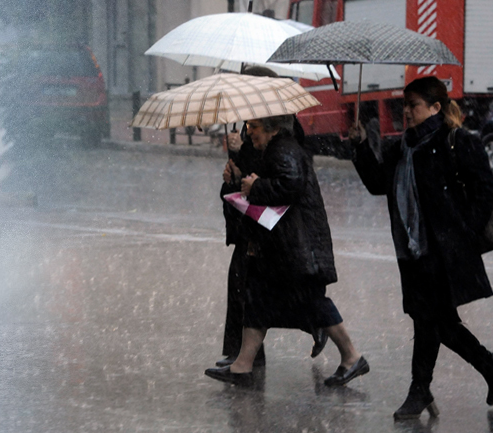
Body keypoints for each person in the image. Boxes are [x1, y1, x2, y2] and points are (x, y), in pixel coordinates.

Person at [349, 76, 493, 420]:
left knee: (432, 321)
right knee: (435, 322)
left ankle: (420, 389)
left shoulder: (456, 142)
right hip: (413, 252)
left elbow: (485, 192)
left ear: (435, 107)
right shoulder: (401, 147)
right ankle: (476, 372)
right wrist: (359, 146)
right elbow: (376, 184)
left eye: (413, 105)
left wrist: (465, 236)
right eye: (405, 105)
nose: (407, 112)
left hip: (444, 251)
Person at [205, 114, 368, 387]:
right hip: (283, 245)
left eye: (253, 128)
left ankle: (352, 355)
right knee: (256, 299)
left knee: (311, 300)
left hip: (297, 244)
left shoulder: (285, 149)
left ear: (272, 128)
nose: (249, 132)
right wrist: (239, 179)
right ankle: (242, 366)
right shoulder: (272, 149)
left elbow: (289, 185)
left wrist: (255, 186)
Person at [214, 66, 328, 369]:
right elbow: (249, 176)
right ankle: (243, 356)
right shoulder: (252, 122)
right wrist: (234, 172)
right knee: (246, 285)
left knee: (271, 289)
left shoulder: (281, 127)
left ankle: (323, 326)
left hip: (276, 226)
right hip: (257, 223)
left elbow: (277, 172)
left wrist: (244, 157)